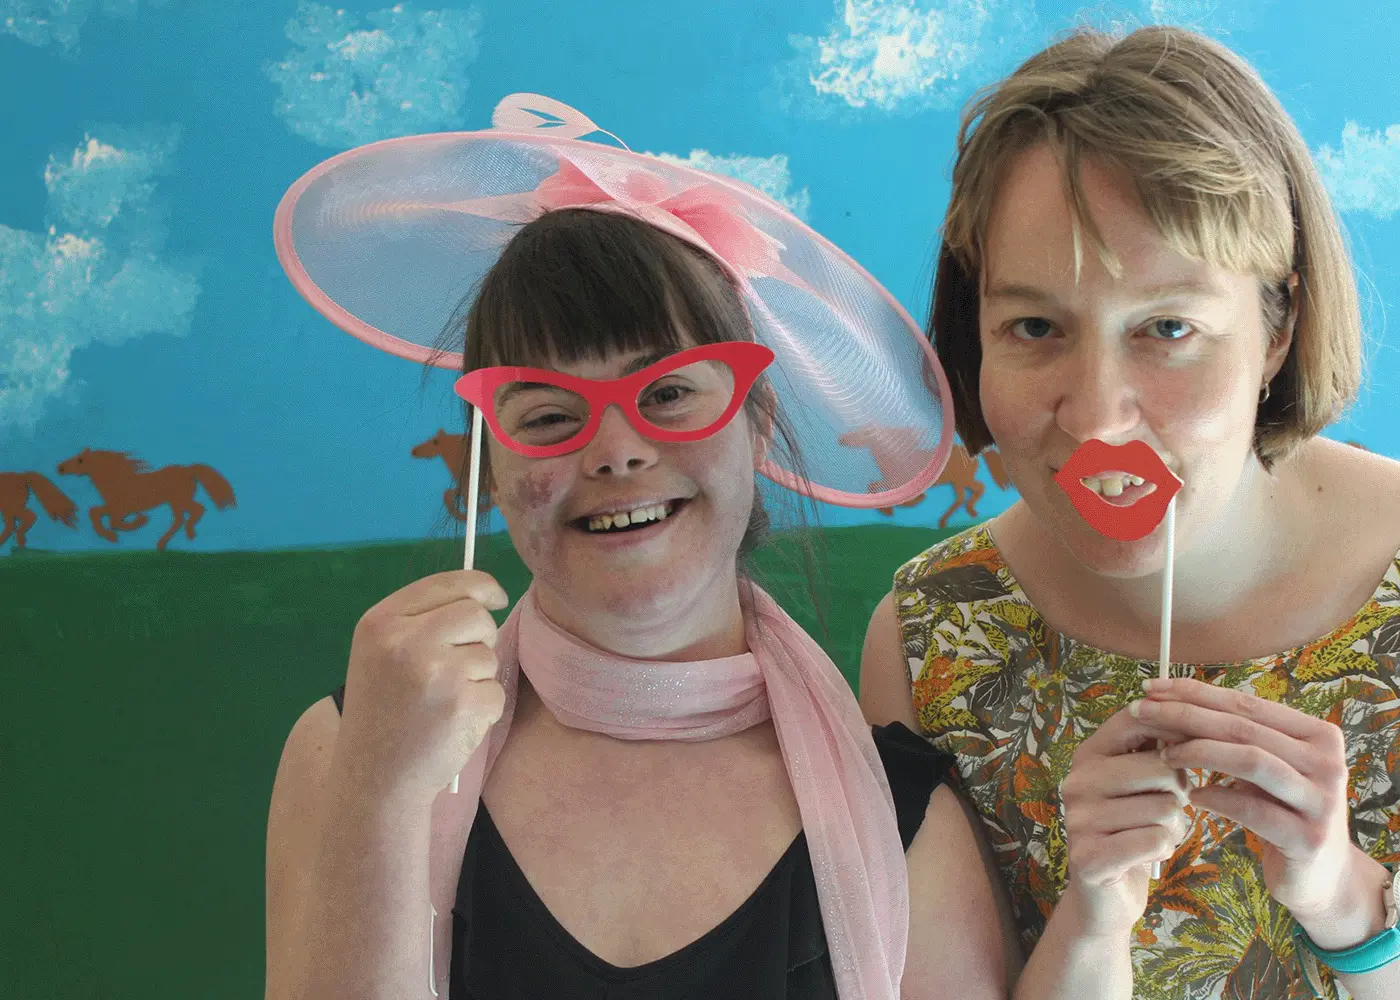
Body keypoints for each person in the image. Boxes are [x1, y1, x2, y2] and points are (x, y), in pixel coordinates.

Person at [263, 100, 1016, 1000]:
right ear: (491, 470)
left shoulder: (908, 819)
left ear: (758, 426)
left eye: (667, 395)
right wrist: (381, 797)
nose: (615, 448)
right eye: (547, 415)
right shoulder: (352, 750)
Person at [859, 24, 1400, 1000]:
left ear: (1277, 330)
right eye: (1032, 326)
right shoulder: (928, 636)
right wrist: (1093, 913)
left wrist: (1345, 903)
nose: (1098, 412)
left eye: (1166, 327)